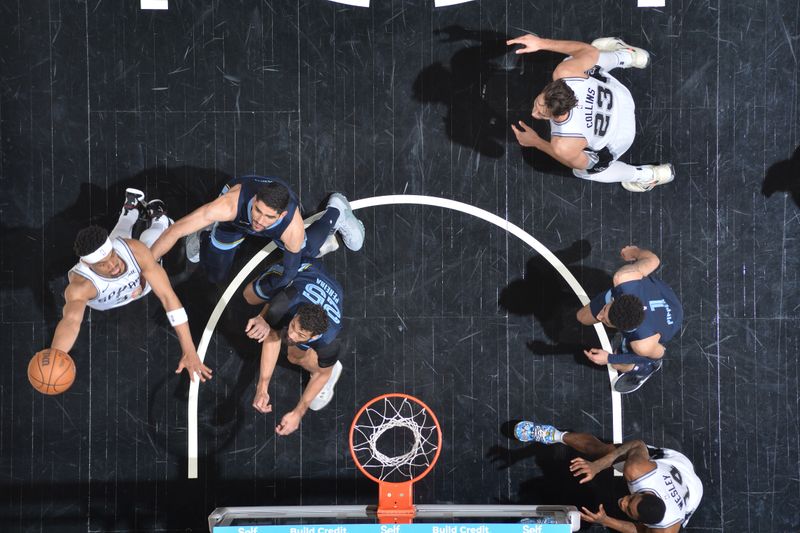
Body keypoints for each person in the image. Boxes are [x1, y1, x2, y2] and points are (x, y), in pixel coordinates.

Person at [49, 189, 211, 382]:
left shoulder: (131, 250)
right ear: (88, 265)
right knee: (120, 235)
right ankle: (131, 211)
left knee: (150, 241)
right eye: (102, 264)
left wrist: (189, 349)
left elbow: (168, 297)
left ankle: (159, 218)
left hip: (142, 284)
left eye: (111, 257)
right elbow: (71, 321)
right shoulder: (82, 285)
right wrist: (55, 355)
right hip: (115, 295)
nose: (112, 266)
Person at [507, 34, 674, 192]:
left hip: (621, 137)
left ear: (560, 113)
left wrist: (536, 142)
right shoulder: (565, 73)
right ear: (549, 88)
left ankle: (646, 176)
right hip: (621, 97)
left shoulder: (564, 144)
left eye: (543, 115)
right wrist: (541, 43)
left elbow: (584, 164)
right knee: (579, 60)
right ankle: (629, 56)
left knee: (587, 171)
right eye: (538, 105)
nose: (534, 114)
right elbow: (589, 51)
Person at [149, 175, 364, 286]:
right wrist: (145, 268)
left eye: (268, 216)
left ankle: (337, 210)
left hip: (281, 228)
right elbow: (174, 230)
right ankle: (205, 231)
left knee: (307, 250)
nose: (259, 221)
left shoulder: (292, 227)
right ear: (254, 199)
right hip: (234, 221)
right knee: (215, 273)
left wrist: (271, 294)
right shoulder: (228, 206)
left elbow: (290, 271)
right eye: (257, 210)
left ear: (280, 216)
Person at [514, 421, 703, 533]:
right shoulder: (639, 471)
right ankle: (553, 434)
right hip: (676, 464)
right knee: (602, 451)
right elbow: (637, 445)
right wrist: (597, 466)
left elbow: (643, 531)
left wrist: (606, 521)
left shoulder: (666, 528)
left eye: (628, 510)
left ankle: (554, 523)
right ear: (644, 493)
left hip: (692, 496)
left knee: (594, 516)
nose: (623, 503)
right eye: (630, 499)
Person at [241, 259, 345, 436]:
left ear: (314, 337)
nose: (291, 335)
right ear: (297, 314)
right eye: (294, 326)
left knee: (294, 356)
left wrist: (298, 412)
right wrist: (262, 387)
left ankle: (335, 368)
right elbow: (272, 337)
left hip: (334, 290)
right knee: (249, 296)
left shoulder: (328, 341)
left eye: (301, 335)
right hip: (310, 269)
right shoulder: (285, 303)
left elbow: (322, 374)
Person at [577, 245, 682, 393]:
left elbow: (659, 353)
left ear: (623, 329)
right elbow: (653, 260)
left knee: (619, 363)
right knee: (583, 317)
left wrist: (609, 359)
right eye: (605, 311)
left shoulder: (643, 343)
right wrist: (635, 252)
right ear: (617, 299)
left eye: (605, 321)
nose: (600, 317)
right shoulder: (624, 278)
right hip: (658, 295)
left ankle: (643, 370)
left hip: (667, 319)